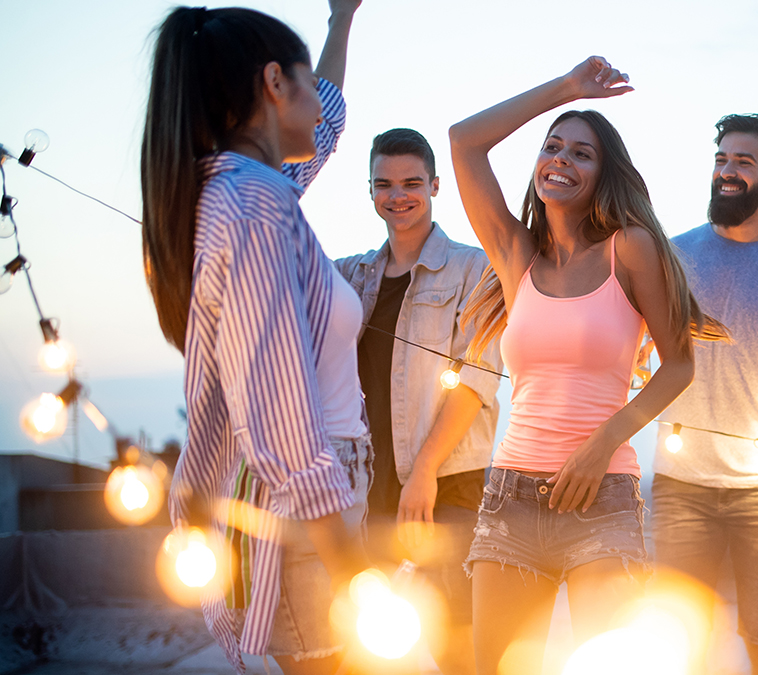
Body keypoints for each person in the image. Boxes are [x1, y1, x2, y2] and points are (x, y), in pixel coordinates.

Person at [449, 56, 728, 675]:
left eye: (582, 154)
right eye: (553, 148)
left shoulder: (629, 247)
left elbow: (679, 366)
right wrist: (565, 91)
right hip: (510, 500)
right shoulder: (516, 257)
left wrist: (603, 444)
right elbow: (464, 143)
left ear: (604, 175)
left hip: (602, 501)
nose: (561, 161)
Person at [141, 3, 373, 674]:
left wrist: (342, 20)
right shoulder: (255, 205)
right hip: (304, 514)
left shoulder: (246, 189)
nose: (319, 106)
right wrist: (353, 567)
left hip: (311, 500)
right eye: (302, 79)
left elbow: (322, 121)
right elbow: (280, 409)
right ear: (275, 83)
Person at [652, 114, 758, 675]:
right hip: (681, 486)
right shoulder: (671, 255)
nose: (727, 172)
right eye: (722, 159)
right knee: (679, 640)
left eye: (743, 163)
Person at [334, 127, 502, 675]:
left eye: (411, 182)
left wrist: (424, 473)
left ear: (434, 185)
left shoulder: (473, 268)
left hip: (447, 481)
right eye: (384, 184)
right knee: (374, 645)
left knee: (456, 646)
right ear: (370, 192)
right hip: (368, 484)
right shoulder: (352, 274)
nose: (397, 195)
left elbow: (478, 377)